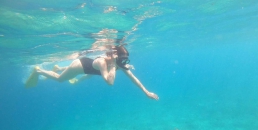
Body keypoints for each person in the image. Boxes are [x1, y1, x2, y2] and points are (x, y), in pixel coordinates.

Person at [27, 45, 159, 100]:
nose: (124, 62)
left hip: (90, 69)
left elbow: (133, 78)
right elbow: (110, 82)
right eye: (122, 59)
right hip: (80, 66)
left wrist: (146, 92)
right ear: (116, 57)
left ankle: (58, 68)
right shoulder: (104, 62)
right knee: (60, 79)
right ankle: (38, 71)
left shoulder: (118, 63)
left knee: (87, 76)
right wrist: (112, 65)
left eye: (125, 60)